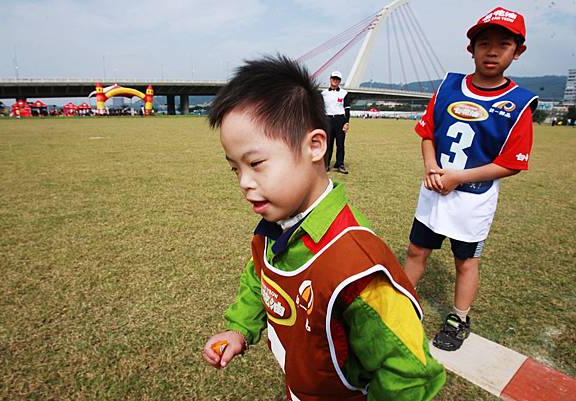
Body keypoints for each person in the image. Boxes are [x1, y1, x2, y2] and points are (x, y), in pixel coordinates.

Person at [202, 55, 445, 401]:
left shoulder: (357, 267)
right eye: (235, 169)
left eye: (256, 164)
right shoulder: (273, 228)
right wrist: (239, 329)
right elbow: (261, 278)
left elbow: (410, 373)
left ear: (315, 145)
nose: (244, 182)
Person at [403, 7, 538, 351]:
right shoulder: (450, 85)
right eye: (484, 43)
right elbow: (428, 132)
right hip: (435, 189)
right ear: (471, 48)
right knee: (417, 249)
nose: (492, 51)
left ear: (517, 51)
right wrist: (431, 166)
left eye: (503, 44)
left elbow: (511, 163)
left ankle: (459, 317)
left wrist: (459, 177)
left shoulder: (519, 103)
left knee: (465, 261)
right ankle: (401, 303)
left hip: (472, 199)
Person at [322, 70, 351, 174]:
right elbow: (321, 110)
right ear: (330, 79)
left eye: (337, 79)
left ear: (340, 81)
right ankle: (326, 164)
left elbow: (347, 109)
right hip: (328, 120)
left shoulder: (344, 93)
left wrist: (346, 123)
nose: (335, 80)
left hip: (340, 120)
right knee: (328, 144)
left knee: (340, 144)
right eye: (333, 78)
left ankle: (340, 164)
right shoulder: (323, 94)